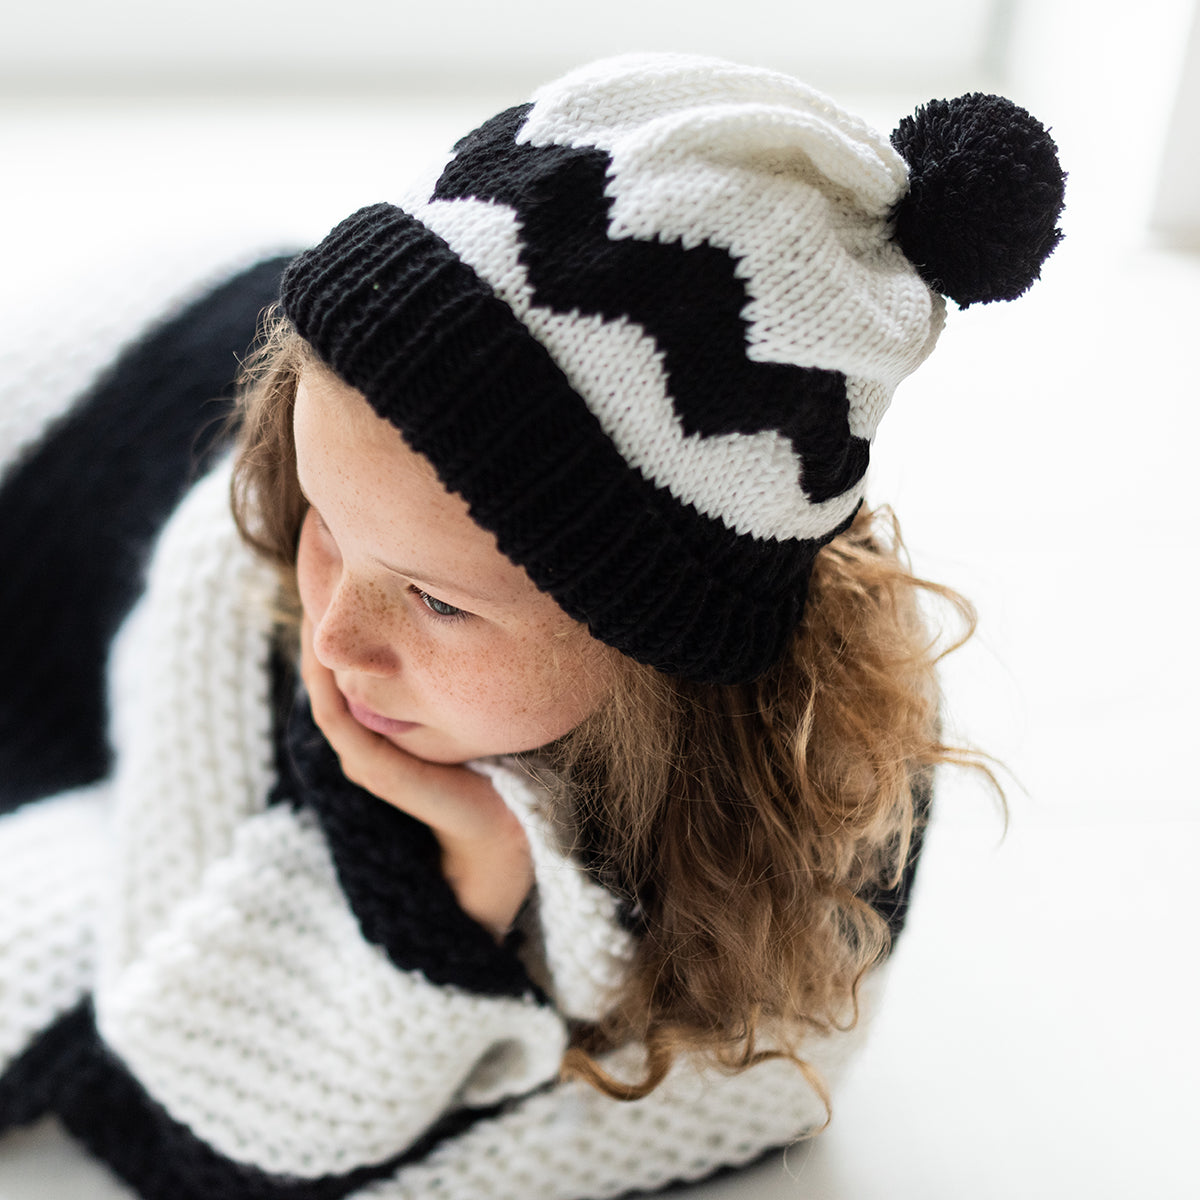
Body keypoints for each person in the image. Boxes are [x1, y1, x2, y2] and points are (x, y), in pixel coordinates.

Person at [0, 52, 1064, 1200]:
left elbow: (744, 1080)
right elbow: (198, 1097)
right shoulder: (260, 557)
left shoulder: (827, 812)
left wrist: (485, 865)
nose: (335, 635)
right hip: (136, 398)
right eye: (325, 527)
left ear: (657, 659)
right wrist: (442, 902)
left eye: (440, 603)